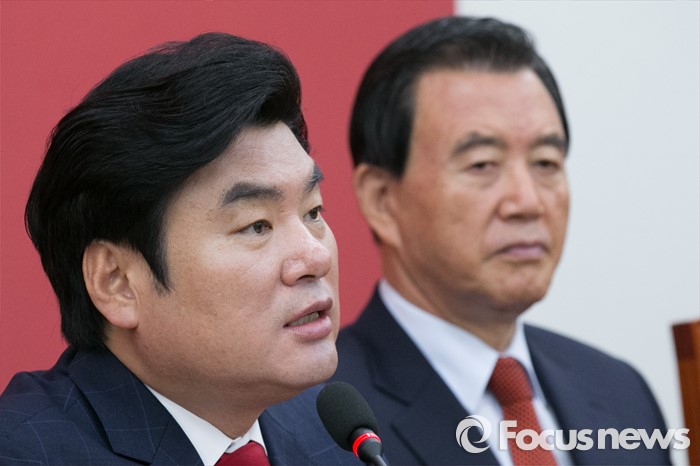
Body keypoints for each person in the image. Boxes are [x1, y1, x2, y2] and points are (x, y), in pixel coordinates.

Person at [0, 32, 360, 466]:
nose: (316, 258)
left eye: (313, 211)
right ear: (117, 282)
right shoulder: (25, 453)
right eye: (256, 226)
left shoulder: (335, 440)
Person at [332, 16, 671, 465]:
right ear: (382, 200)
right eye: (482, 165)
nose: (527, 202)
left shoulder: (620, 393)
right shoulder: (316, 422)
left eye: (546, 162)